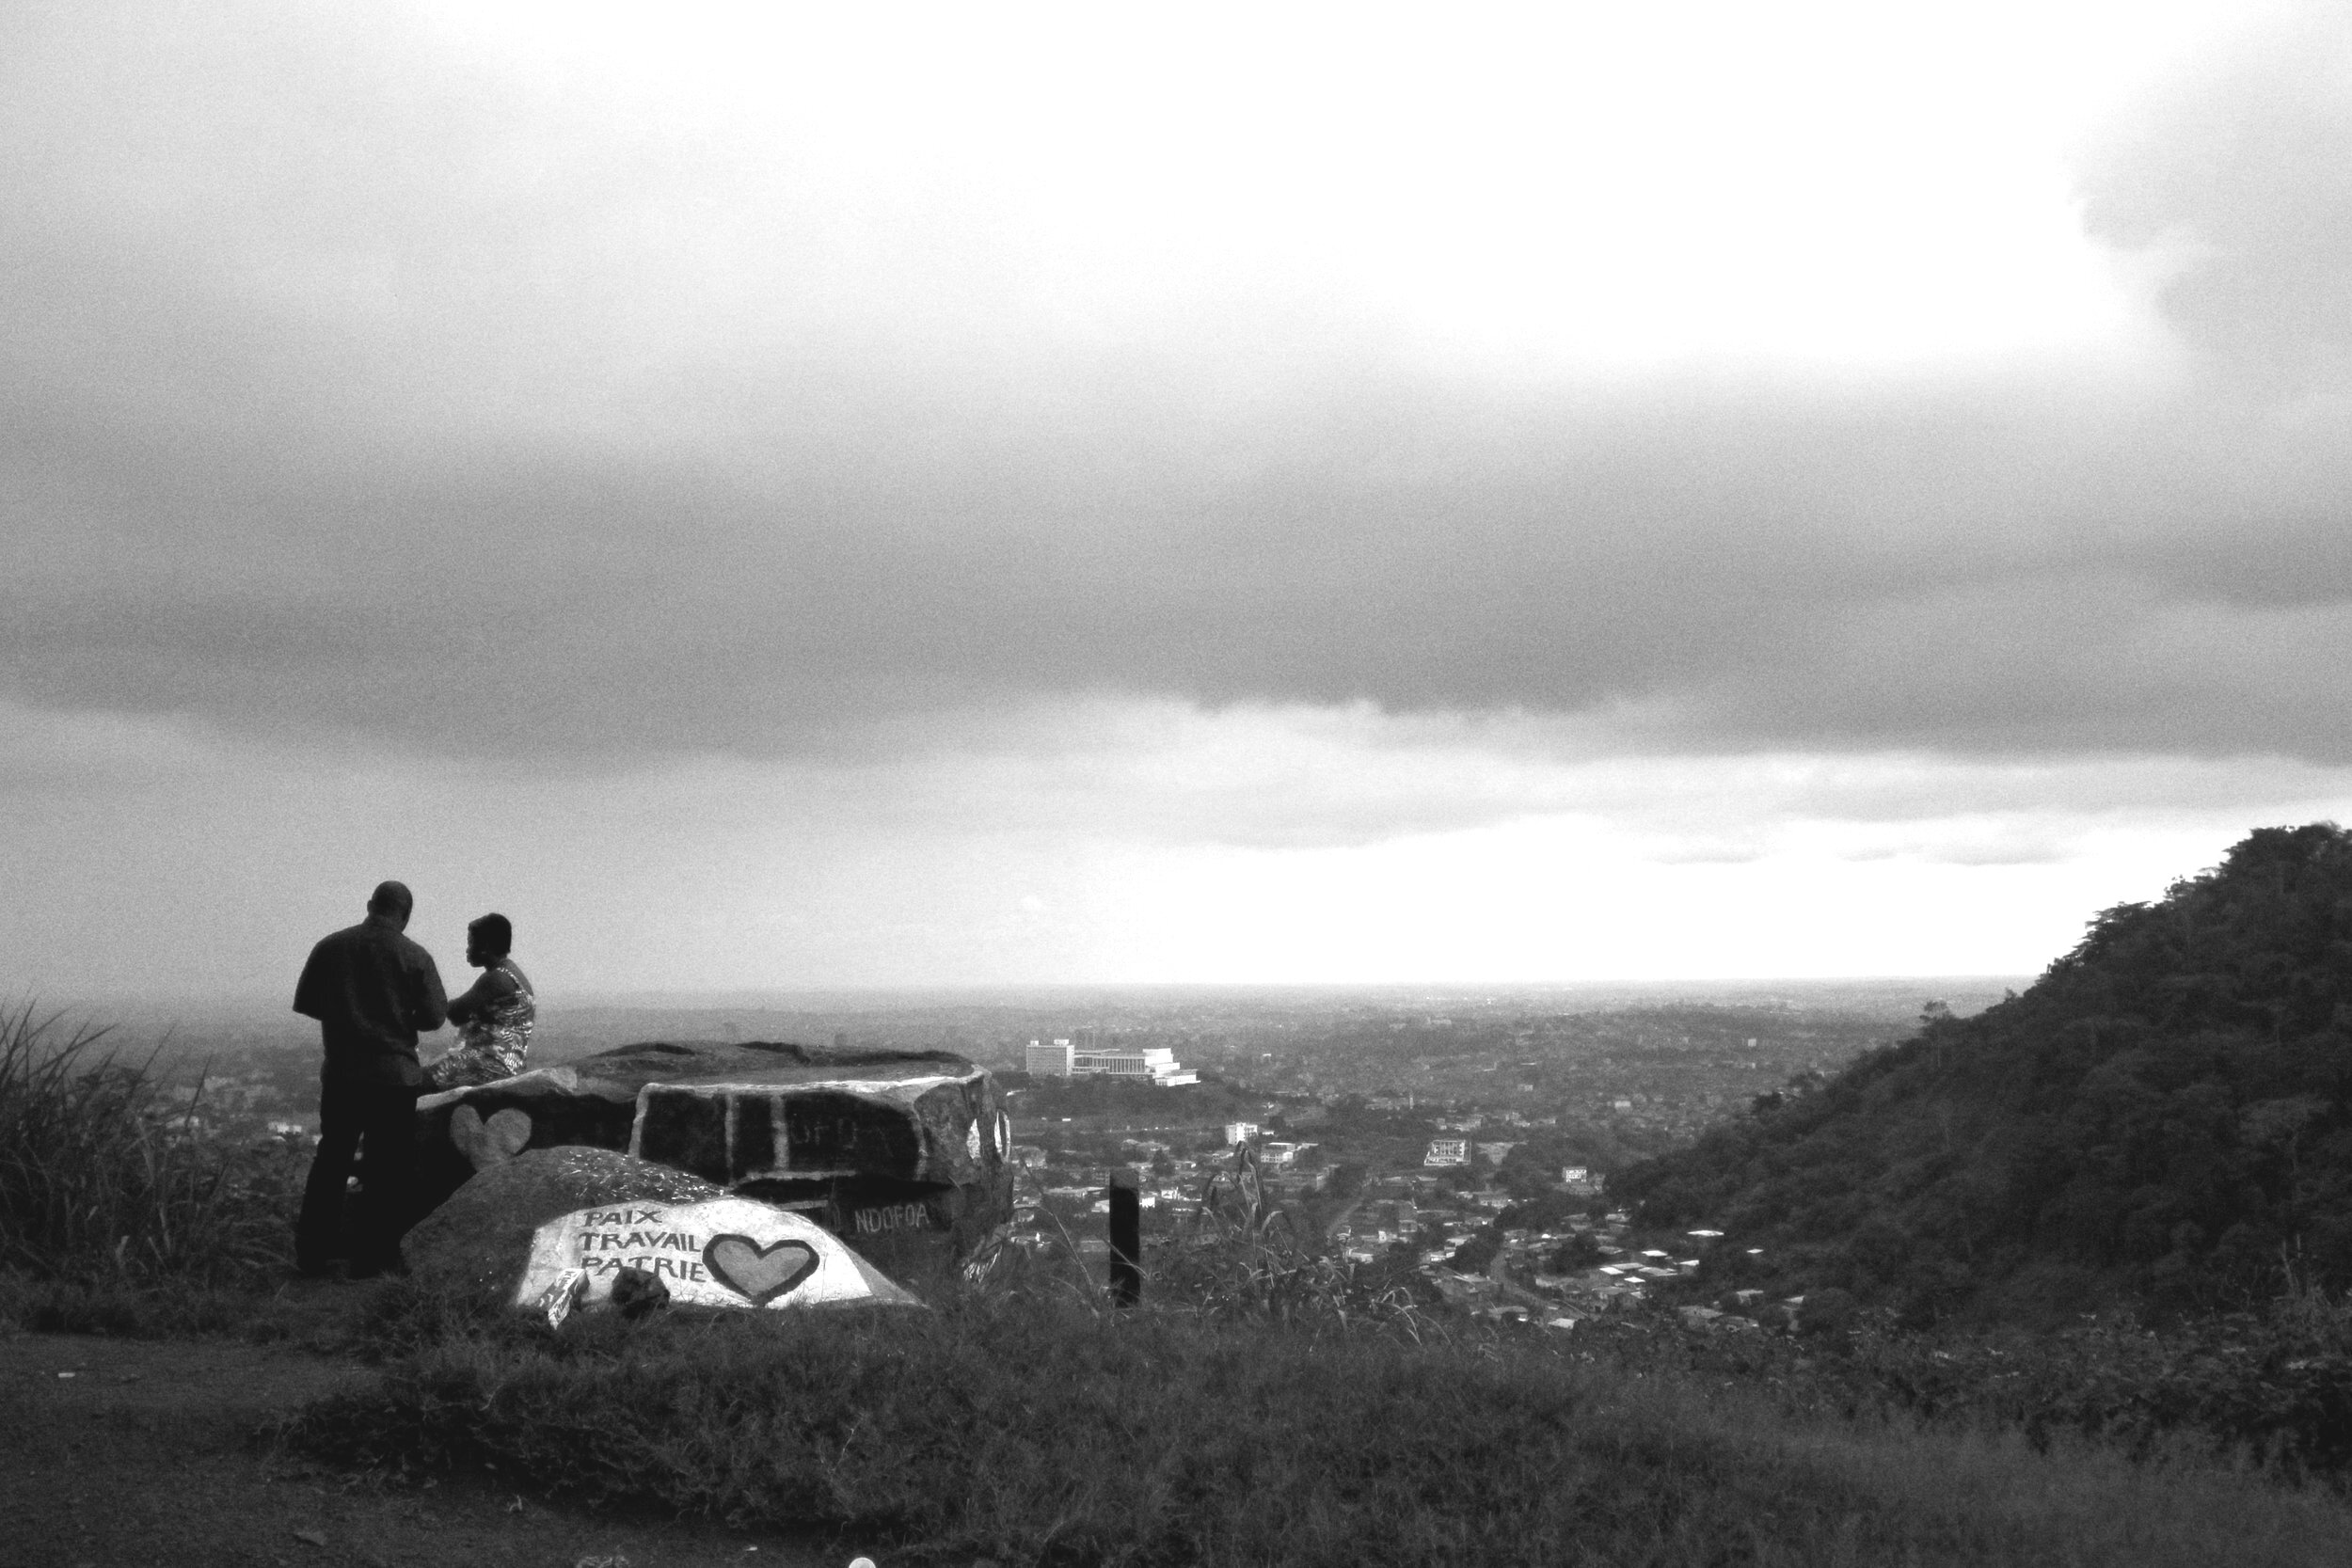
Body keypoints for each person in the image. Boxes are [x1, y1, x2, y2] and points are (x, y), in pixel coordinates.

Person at [292, 879, 448, 1277]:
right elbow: (433, 1017)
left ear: (370, 905)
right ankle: (373, 1260)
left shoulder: (331, 947)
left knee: (331, 1161)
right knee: (387, 1169)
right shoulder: (415, 956)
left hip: (343, 1072)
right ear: (406, 916)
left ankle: (313, 1256)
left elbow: (308, 1003)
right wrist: (396, 1018)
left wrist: (348, 1017)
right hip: (395, 1078)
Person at [425, 912, 536, 1090]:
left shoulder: (496, 978)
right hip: (506, 1064)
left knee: (415, 1082)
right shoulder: (511, 973)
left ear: (485, 946)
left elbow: (456, 1011)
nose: (468, 949)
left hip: (490, 1063)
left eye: (471, 943)